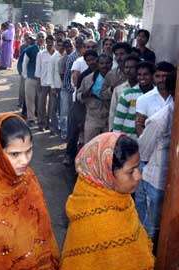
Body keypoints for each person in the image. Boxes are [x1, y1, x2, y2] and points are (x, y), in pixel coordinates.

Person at [0, 113, 60, 269]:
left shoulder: (27, 177)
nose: (24, 161)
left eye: (29, 151)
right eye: (15, 154)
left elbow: (42, 226)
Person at [60, 133, 155, 270]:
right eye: (131, 171)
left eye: (138, 167)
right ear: (107, 173)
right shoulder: (97, 220)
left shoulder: (120, 197)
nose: (138, 176)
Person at [135, 71, 176, 252]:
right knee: (152, 227)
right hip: (157, 179)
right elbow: (143, 149)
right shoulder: (161, 119)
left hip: (167, 181)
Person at [113, 61, 156, 139]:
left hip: (150, 137)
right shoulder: (127, 94)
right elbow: (119, 119)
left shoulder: (157, 94)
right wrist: (116, 139)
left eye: (146, 74)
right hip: (129, 137)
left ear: (152, 76)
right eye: (139, 75)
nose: (142, 77)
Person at [77, 54, 113, 143]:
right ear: (98, 64)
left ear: (111, 64)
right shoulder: (88, 79)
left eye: (107, 63)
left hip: (110, 117)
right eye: (102, 63)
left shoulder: (116, 78)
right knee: (90, 146)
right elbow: (78, 95)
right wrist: (84, 95)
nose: (105, 65)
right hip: (93, 117)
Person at [135, 61, 175, 136]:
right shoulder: (143, 99)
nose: (161, 80)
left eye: (164, 76)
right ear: (153, 77)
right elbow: (139, 126)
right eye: (157, 76)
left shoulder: (176, 97)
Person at [108, 55, 140, 131]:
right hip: (122, 131)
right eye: (126, 67)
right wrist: (112, 130)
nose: (128, 70)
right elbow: (113, 112)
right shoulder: (118, 89)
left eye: (132, 68)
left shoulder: (145, 89)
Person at [22, 32, 46, 127]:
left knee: (41, 100)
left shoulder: (46, 50)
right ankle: (31, 118)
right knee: (30, 99)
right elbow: (25, 63)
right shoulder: (30, 50)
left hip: (42, 80)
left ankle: (40, 119)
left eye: (42, 37)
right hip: (31, 78)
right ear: (36, 38)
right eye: (39, 36)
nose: (41, 38)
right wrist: (25, 75)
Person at [35, 34, 56, 131]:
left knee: (52, 106)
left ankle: (49, 124)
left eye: (52, 42)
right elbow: (38, 69)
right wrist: (38, 82)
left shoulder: (57, 55)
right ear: (46, 42)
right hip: (43, 82)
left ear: (54, 43)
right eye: (48, 42)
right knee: (41, 104)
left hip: (53, 85)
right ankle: (41, 123)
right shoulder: (40, 54)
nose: (50, 44)